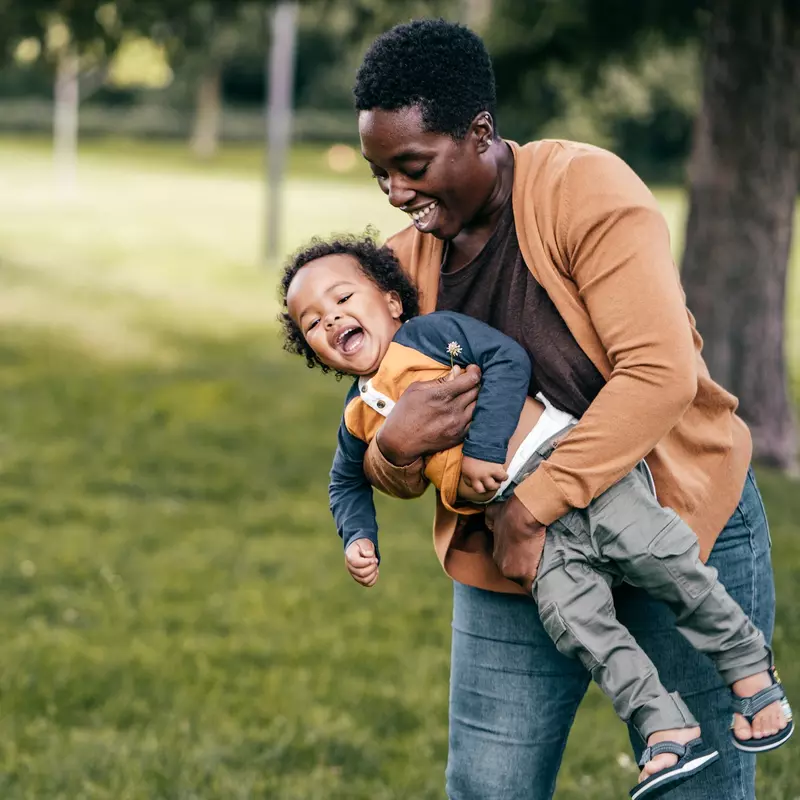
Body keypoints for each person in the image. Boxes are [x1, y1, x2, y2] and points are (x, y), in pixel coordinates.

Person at [341, 17, 785, 800]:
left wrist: (534, 505)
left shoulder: (586, 189)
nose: (396, 192)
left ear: (480, 131)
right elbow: (395, 443)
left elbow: (659, 374)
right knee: (489, 788)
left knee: (701, 793)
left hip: (677, 516)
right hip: (521, 564)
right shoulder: (404, 268)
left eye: (411, 165)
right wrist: (393, 453)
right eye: (381, 174)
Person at [279, 234, 791, 798]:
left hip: (574, 475)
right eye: (311, 321)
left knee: (663, 558)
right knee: (578, 625)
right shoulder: (358, 415)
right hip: (521, 529)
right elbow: (345, 480)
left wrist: (483, 450)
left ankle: (751, 673)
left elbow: (506, 359)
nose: (331, 319)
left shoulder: (431, 335)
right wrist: (358, 536)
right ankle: (664, 725)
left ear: (392, 302)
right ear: (311, 349)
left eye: (343, 298)